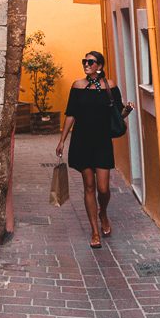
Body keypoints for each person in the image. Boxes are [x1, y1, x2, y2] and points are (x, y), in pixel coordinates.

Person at [55, 51, 134, 248]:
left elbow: (118, 113)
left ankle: (103, 212)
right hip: (82, 140)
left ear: (99, 65)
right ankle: (95, 231)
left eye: (90, 62)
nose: (86, 64)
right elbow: (71, 114)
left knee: (103, 189)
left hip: (102, 141)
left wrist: (127, 111)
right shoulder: (77, 86)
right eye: (84, 61)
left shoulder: (111, 86)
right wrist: (62, 140)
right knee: (89, 186)